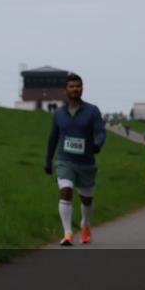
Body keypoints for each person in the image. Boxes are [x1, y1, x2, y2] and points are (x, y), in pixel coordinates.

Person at [44, 73, 107, 246]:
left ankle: (85, 225)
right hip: (65, 160)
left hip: (86, 162)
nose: (75, 89)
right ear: (66, 89)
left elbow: (101, 131)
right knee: (66, 191)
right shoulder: (59, 113)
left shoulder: (92, 111)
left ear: (82, 88)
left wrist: (97, 144)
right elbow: (53, 137)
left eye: (77, 86)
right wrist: (48, 160)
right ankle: (67, 233)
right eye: (71, 86)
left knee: (87, 199)